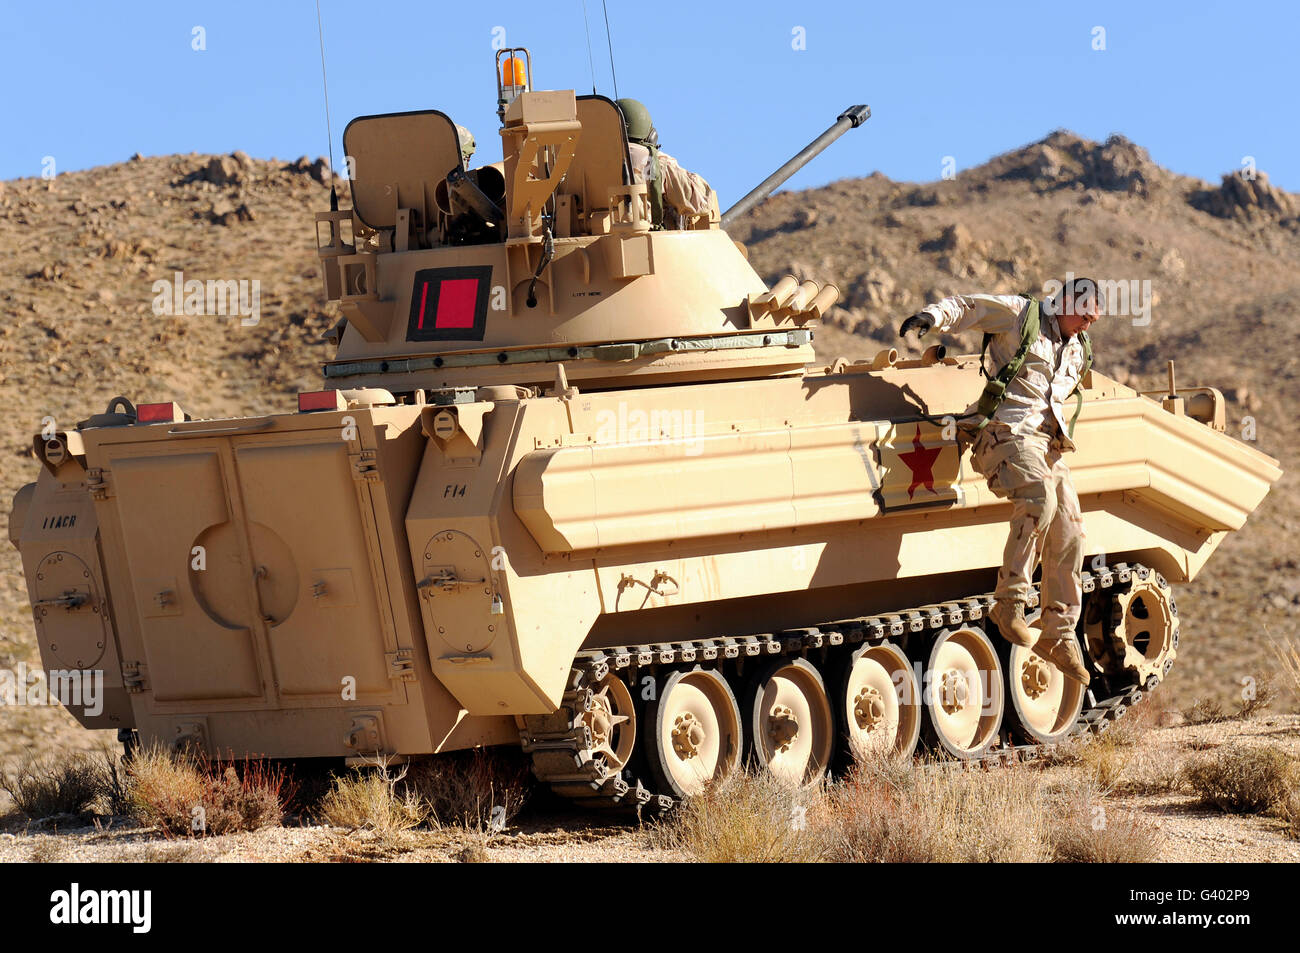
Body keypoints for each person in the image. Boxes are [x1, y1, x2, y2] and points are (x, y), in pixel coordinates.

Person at [898, 279, 1103, 685]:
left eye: (1093, 320)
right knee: (1038, 500)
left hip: (1046, 444)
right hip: (1003, 433)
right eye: (1083, 316)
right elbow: (971, 307)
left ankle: (1058, 635)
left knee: (1073, 533)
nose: (1086, 326)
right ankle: (1009, 602)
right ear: (1064, 302)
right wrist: (932, 317)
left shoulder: (1079, 349)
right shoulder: (1020, 315)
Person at [615, 98, 714, 229]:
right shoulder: (652, 160)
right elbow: (699, 202)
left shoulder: (587, 160)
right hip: (645, 239)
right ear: (650, 134)